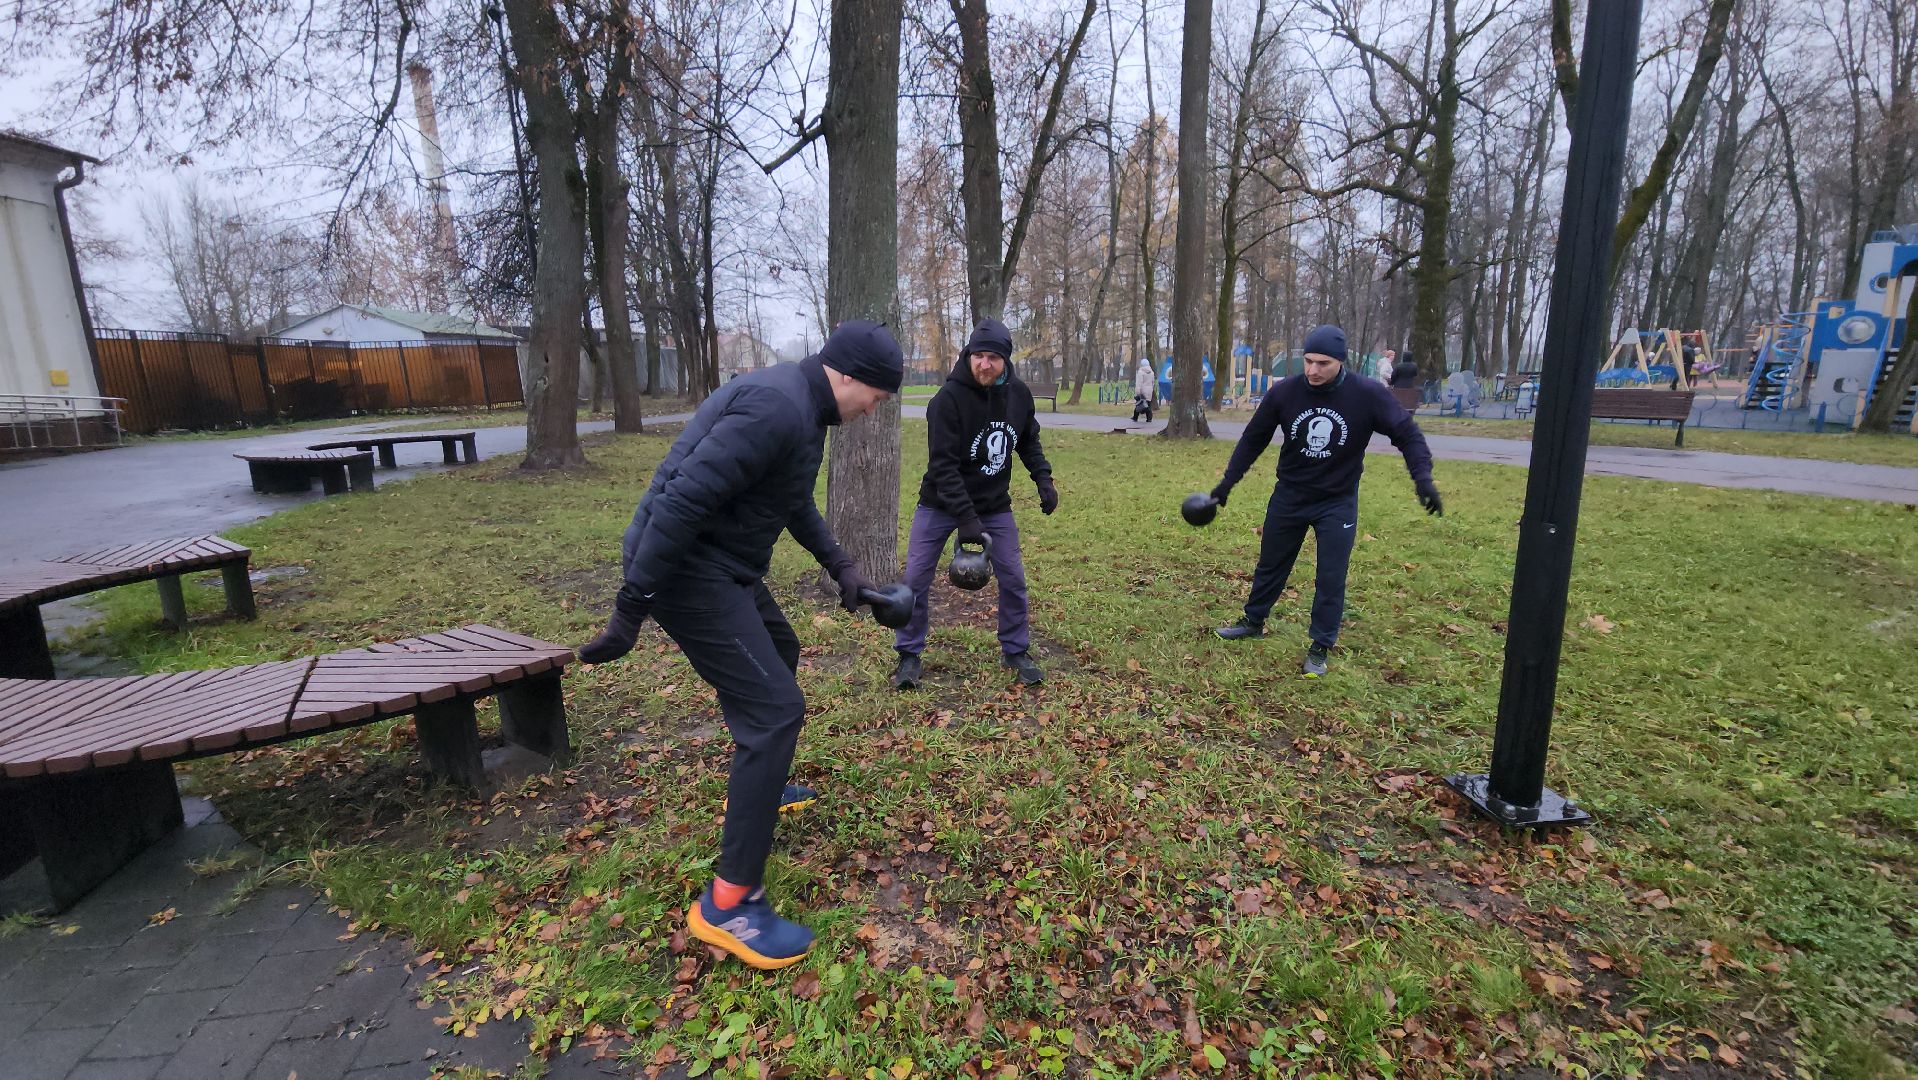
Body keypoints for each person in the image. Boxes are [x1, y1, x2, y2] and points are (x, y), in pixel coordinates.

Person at [576, 319, 903, 970]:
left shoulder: (804, 411)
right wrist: (630, 609)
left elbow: (792, 502)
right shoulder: (776, 410)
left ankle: (762, 785)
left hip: (724, 566)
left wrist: (846, 572)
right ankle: (728, 904)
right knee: (777, 709)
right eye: (876, 397)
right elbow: (679, 504)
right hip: (684, 571)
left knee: (779, 652)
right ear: (845, 376)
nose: (873, 411)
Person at [1206, 324, 1441, 677]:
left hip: (1337, 500)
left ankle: (1320, 645)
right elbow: (1252, 440)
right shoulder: (1284, 393)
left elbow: (1407, 434)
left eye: (1323, 364)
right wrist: (1226, 485)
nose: (1314, 370)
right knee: (1271, 563)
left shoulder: (1366, 394)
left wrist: (1422, 478)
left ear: (1340, 363)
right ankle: (1252, 621)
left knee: (1331, 575)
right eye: (1309, 361)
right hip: (1290, 495)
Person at [892, 318, 1057, 690]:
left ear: (1005, 361)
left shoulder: (1018, 395)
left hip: (994, 503)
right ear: (968, 355)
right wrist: (966, 520)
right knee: (916, 578)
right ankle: (908, 653)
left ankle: (1015, 649)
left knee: (1013, 578)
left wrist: (1042, 478)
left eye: (993, 358)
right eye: (978, 355)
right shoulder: (946, 401)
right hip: (940, 502)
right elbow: (943, 467)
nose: (984, 364)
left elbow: (1028, 439)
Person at [1132, 357, 1156, 422]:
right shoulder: (1152, 372)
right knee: (1148, 404)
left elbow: (1139, 383)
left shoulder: (1140, 372)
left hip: (1142, 390)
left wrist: (1138, 392)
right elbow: (1153, 382)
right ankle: (1149, 418)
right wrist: (1151, 388)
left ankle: (1135, 417)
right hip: (1149, 391)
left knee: (1139, 404)